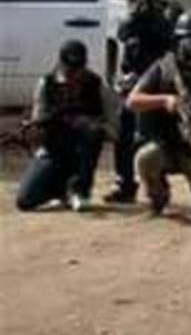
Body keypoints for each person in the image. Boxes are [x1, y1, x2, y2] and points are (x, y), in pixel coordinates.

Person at [127, 13, 191, 221]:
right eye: (188, 41)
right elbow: (132, 101)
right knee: (146, 158)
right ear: (178, 41)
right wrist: (165, 100)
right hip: (166, 144)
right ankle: (158, 195)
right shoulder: (164, 68)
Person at [15, 40, 118, 212]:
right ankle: (60, 190)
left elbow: (114, 130)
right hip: (54, 151)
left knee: (91, 132)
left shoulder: (97, 85)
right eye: (69, 70)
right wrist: (35, 132)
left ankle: (80, 191)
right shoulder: (46, 84)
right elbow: (38, 122)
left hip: (81, 152)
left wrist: (91, 125)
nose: (74, 75)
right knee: (25, 200)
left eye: (78, 70)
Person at [105, 0, 175, 203]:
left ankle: (158, 184)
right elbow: (123, 34)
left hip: (156, 86)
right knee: (124, 130)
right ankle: (124, 183)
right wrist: (138, 12)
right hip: (133, 85)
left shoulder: (165, 16)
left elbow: (166, 39)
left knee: (152, 137)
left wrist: (153, 11)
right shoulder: (132, 20)